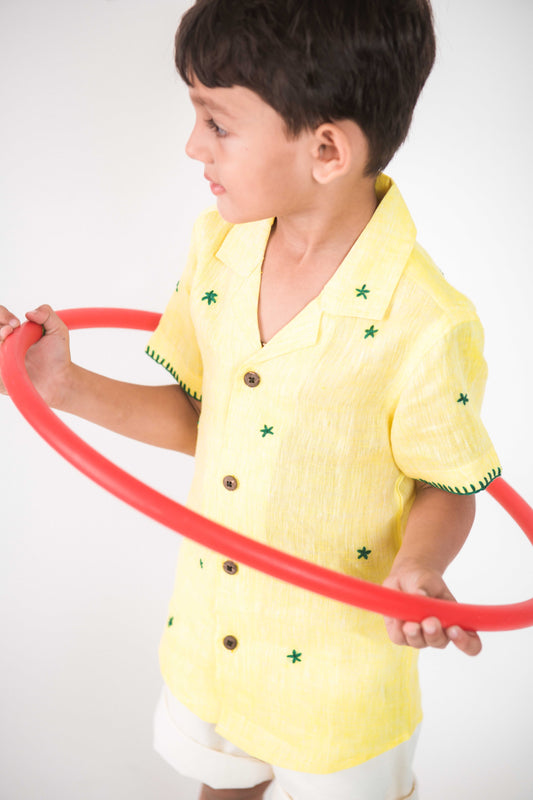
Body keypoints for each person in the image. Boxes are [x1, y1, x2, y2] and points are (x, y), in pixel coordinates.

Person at [0, 1, 502, 798]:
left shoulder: (425, 322)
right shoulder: (221, 249)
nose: (191, 145)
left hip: (338, 673)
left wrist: (417, 566)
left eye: (217, 122)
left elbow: (447, 483)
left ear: (327, 149)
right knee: (220, 786)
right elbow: (208, 421)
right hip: (214, 636)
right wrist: (60, 384)